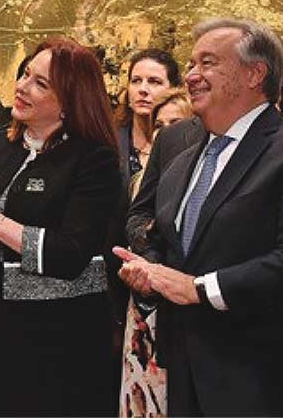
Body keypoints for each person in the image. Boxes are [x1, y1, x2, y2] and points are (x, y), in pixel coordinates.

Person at [0, 37, 122, 416]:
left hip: (63, 335)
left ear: (70, 101)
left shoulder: (94, 160)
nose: (22, 87)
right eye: (25, 74)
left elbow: (69, 254)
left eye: (41, 83)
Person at [115, 18, 283, 416]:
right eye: (190, 64)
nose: (191, 75)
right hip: (183, 367)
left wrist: (201, 288)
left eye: (208, 63)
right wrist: (150, 275)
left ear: (255, 73)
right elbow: (165, 242)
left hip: (259, 374)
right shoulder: (182, 158)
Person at [119, 89, 193, 418]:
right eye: (159, 124)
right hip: (143, 302)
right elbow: (134, 222)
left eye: (175, 122)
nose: (165, 131)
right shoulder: (139, 178)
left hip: (188, 302)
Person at [115, 49, 182, 186]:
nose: (143, 89)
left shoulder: (186, 141)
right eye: (136, 81)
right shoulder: (111, 142)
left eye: (154, 82)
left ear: (174, 90)